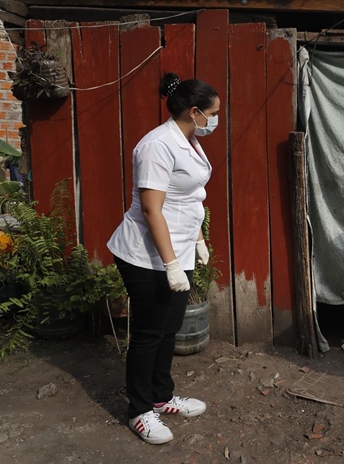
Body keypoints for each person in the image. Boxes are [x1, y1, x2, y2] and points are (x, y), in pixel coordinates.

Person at [107, 72, 220, 445]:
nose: (217, 119)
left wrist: (198, 240)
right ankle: (139, 411)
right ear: (193, 111)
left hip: (179, 247)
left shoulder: (188, 139)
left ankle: (161, 395)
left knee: (169, 328)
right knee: (149, 332)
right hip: (146, 254)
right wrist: (171, 264)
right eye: (213, 113)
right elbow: (154, 210)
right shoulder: (156, 145)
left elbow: (187, 198)